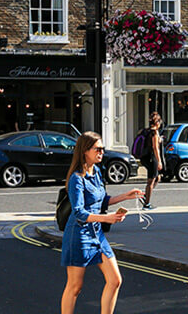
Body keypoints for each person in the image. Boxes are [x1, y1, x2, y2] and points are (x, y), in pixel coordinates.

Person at [60, 132, 143, 314]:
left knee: (115, 280)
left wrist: (126, 196)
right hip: (79, 235)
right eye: (97, 149)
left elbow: (102, 200)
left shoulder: (96, 171)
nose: (101, 152)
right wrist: (107, 218)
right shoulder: (76, 179)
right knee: (75, 287)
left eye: (103, 149)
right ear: (85, 151)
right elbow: (79, 212)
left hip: (97, 234)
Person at [140, 113, 164, 210]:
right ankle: (146, 203)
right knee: (151, 180)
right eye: (159, 122)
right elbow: (155, 148)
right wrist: (159, 161)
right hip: (151, 158)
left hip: (144, 157)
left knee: (157, 177)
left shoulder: (146, 131)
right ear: (157, 122)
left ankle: (146, 195)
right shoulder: (154, 133)